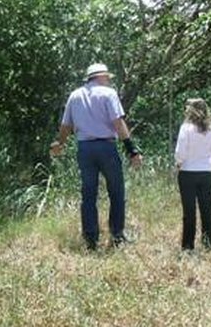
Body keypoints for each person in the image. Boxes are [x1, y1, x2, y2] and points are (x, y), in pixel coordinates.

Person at [50, 63, 143, 251]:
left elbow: (66, 125)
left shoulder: (75, 95)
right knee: (116, 192)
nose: (108, 80)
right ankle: (117, 235)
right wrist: (131, 150)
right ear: (100, 76)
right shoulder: (109, 93)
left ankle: (91, 239)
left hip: (84, 148)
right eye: (107, 76)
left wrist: (59, 143)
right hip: (106, 147)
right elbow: (118, 122)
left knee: (88, 194)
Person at [175, 98, 211, 252]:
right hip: (206, 172)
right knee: (207, 209)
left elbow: (180, 152)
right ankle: (208, 244)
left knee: (189, 211)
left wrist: (179, 163)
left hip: (187, 172)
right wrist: (208, 165)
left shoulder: (186, 128)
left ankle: (188, 246)